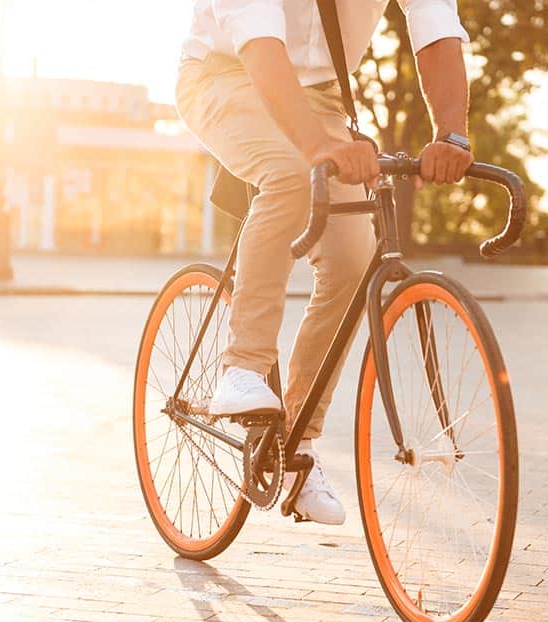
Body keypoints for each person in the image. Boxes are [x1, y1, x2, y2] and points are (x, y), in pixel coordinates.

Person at [175, 0, 475, 525]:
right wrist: (314, 146)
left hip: (323, 97)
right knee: (289, 174)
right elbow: (259, 42)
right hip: (226, 74)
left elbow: (435, 26)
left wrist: (451, 132)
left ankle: (296, 448)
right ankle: (242, 366)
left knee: (354, 258)